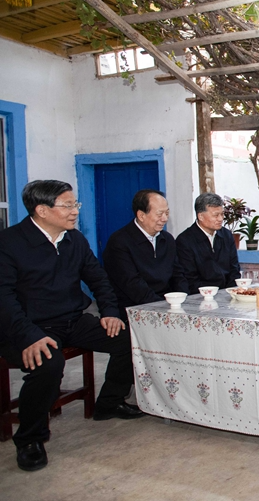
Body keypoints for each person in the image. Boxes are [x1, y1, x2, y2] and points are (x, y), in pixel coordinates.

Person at [0, 180, 144, 472]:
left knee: (131, 338)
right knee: (48, 363)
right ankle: (30, 439)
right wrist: (29, 336)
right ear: (42, 210)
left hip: (72, 320)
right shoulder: (9, 243)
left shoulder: (74, 239)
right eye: (67, 205)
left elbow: (98, 279)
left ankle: (109, 403)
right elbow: (4, 298)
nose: (75, 211)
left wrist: (110, 313)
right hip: (27, 327)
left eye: (75, 204)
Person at [102, 189, 177, 321]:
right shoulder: (119, 242)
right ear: (141, 215)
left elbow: (177, 274)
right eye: (159, 214)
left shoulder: (167, 239)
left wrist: (181, 301)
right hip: (135, 309)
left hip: (167, 305)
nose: (165, 219)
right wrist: (163, 308)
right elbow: (132, 284)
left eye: (167, 213)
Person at [173, 193, 240, 294]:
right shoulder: (185, 240)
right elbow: (189, 279)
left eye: (222, 214)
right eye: (215, 215)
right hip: (200, 296)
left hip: (227, 293)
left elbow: (234, 269)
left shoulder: (226, 235)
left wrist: (230, 292)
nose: (220, 219)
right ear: (200, 216)